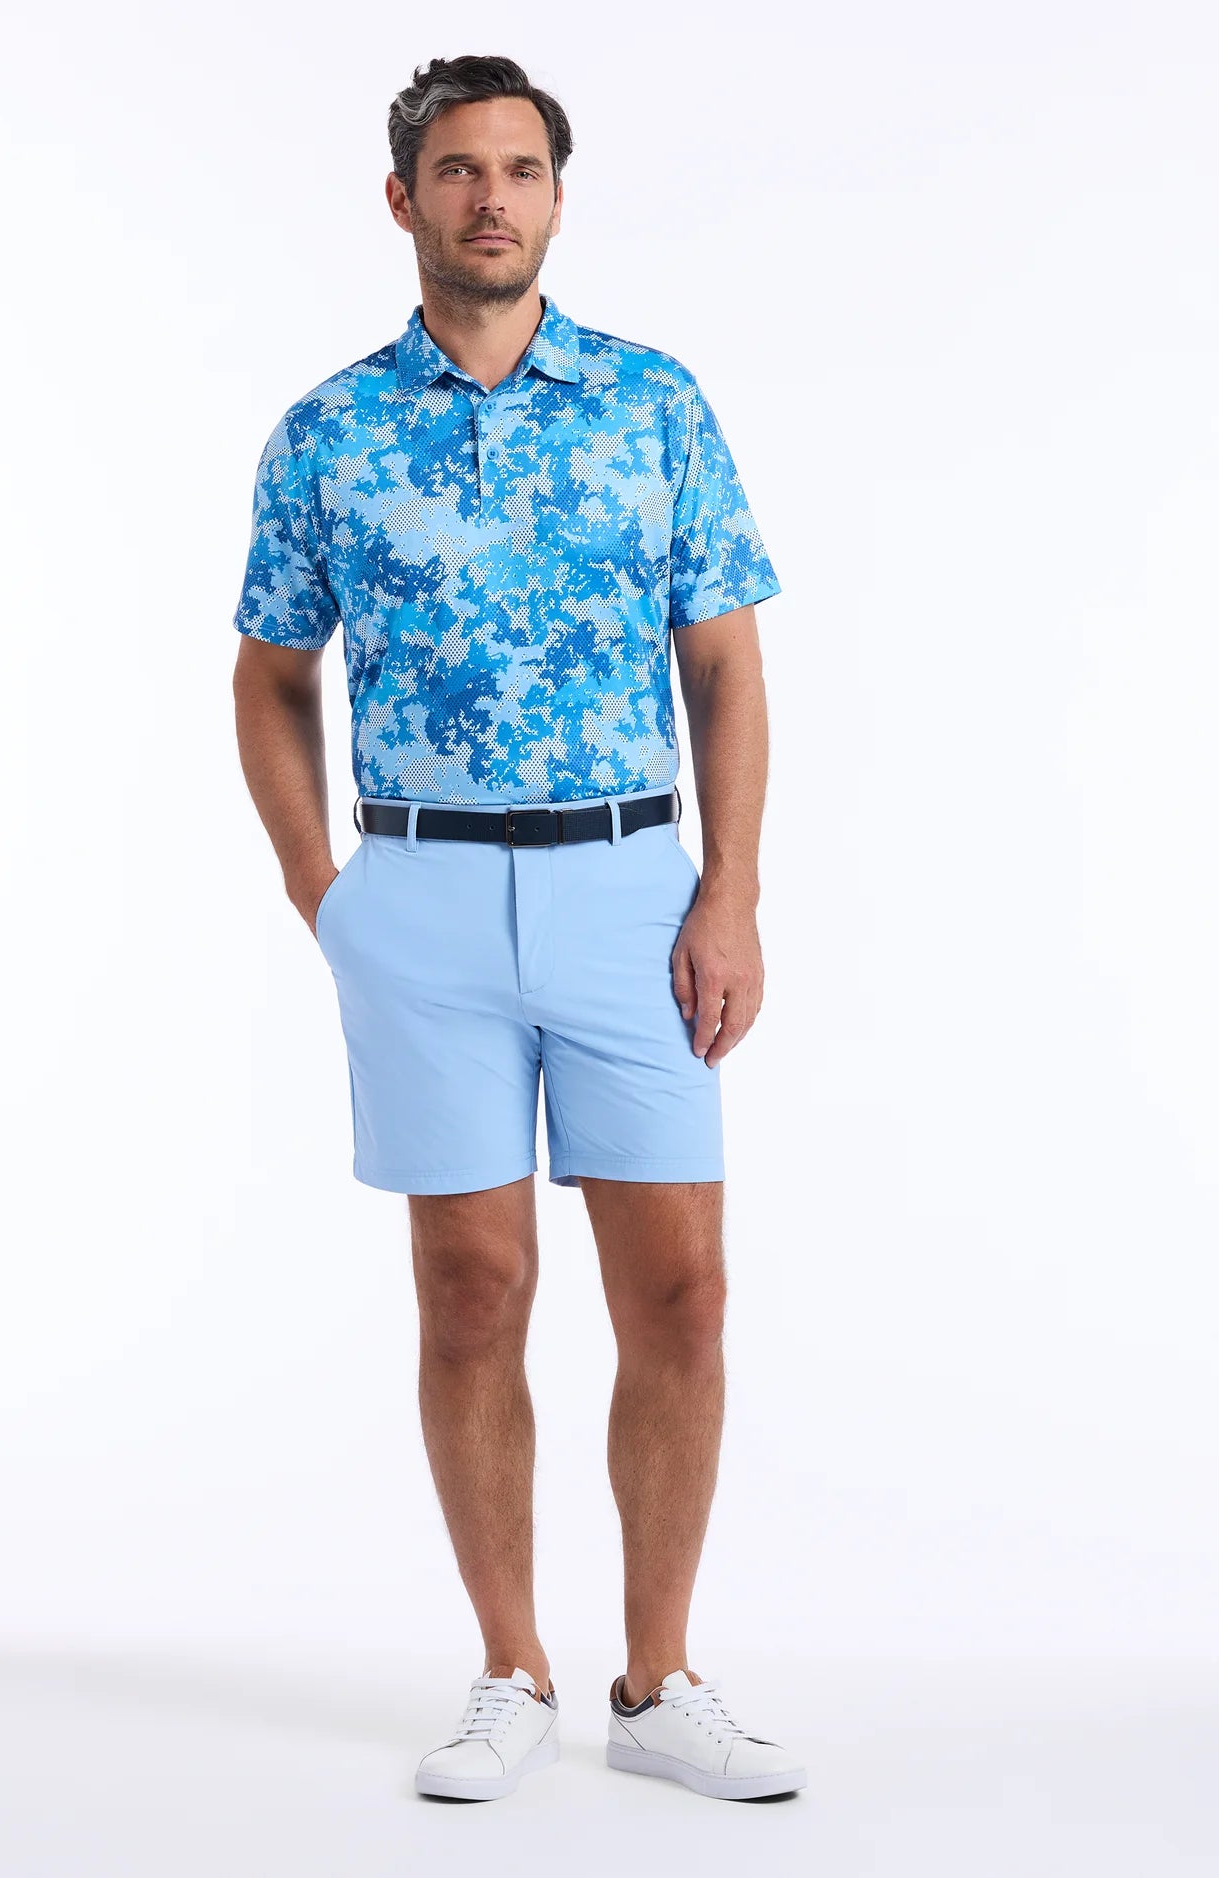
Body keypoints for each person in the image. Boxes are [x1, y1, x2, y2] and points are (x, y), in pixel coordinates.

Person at [231, 53, 807, 1805]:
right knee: (472, 1287)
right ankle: (510, 1669)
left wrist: (730, 888)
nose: (493, 197)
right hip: (418, 894)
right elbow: (269, 674)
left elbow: (726, 665)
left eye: (523, 168)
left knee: (683, 1291)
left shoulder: (652, 405)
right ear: (402, 199)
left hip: (630, 887)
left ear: (558, 194)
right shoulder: (329, 432)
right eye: (460, 170)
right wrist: (324, 891)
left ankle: (658, 1680)